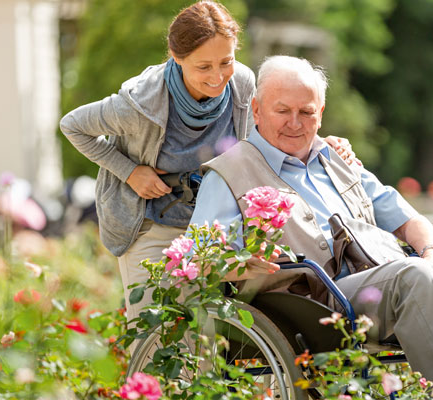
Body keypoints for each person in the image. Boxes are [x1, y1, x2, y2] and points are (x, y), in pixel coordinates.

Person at [190, 55, 433, 400]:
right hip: (310, 307)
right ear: (256, 109)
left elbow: (412, 221)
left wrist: (431, 254)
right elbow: (202, 256)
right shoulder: (229, 173)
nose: (295, 123)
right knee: (410, 274)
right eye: (282, 110)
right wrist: (248, 262)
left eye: (306, 112)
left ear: (321, 114)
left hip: (390, 288)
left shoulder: (338, 160)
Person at [59, 2, 357, 331]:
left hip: (215, 229)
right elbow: (72, 125)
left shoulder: (241, 83)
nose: (217, 77)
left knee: (214, 337)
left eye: (225, 62)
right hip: (152, 225)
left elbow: (264, 138)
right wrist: (129, 171)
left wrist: (318, 143)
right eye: (203, 67)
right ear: (177, 56)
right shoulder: (141, 103)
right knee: (158, 334)